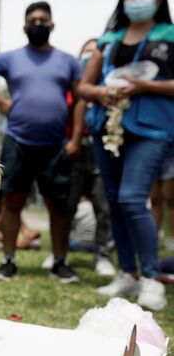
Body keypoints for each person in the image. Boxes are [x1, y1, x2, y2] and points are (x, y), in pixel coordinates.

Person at [0, 1, 82, 283]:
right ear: (24, 26)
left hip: (57, 143)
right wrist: (3, 103)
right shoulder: (11, 58)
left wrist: (76, 138)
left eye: (43, 19)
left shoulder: (68, 62)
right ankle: (8, 261)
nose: (38, 23)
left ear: (52, 25)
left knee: (58, 204)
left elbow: (80, 101)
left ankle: (60, 262)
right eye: (33, 19)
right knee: (12, 201)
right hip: (18, 140)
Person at [79, 0, 174, 310]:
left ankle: (150, 277)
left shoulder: (169, 36)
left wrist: (145, 86)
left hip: (151, 130)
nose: (137, 0)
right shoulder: (108, 41)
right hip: (108, 130)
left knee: (133, 199)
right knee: (115, 204)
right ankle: (128, 273)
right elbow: (84, 87)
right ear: (123, 0)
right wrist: (101, 93)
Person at [65, 39, 116, 277]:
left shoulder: (110, 83)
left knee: (102, 204)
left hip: (101, 147)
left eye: (93, 52)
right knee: (67, 202)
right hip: (72, 149)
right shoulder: (69, 86)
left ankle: (103, 255)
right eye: (85, 51)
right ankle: (59, 252)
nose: (89, 56)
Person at [150, 146, 174, 252]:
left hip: (170, 152)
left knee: (171, 198)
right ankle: (155, 238)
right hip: (150, 151)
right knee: (154, 199)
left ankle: (173, 238)